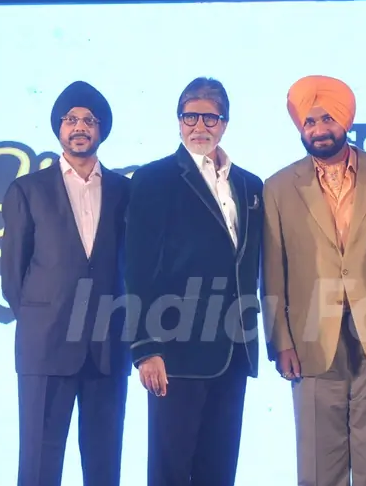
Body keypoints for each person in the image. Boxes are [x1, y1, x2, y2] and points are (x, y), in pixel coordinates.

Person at [261, 75, 366, 486]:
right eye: (309, 122)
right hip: (309, 341)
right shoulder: (279, 187)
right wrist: (280, 340)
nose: (319, 129)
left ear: (345, 120)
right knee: (318, 469)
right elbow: (272, 273)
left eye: (327, 119)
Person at [126, 77, 263, 486]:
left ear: (225, 123)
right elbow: (137, 267)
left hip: (234, 349)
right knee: (169, 472)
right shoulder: (153, 179)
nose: (199, 126)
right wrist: (146, 348)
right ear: (178, 120)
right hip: (176, 352)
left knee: (219, 472)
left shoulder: (250, 185)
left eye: (209, 117)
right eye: (190, 116)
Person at [1, 80, 130, 486]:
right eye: (71, 119)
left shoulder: (126, 191)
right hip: (46, 348)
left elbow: (131, 269)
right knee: (39, 466)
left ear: (102, 129)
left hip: (108, 349)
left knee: (104, 467)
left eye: (89, 120)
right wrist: (46, 320)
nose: (80, 127)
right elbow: (13, 279)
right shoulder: (28, 190)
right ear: (58, 127)